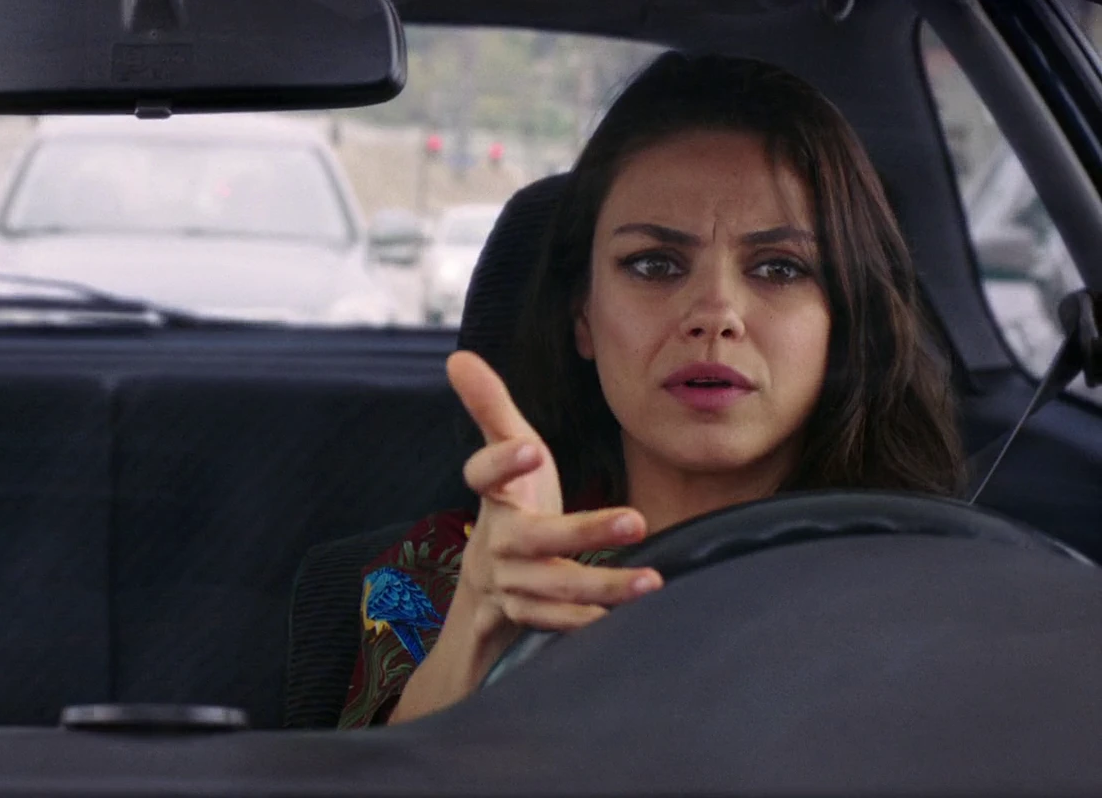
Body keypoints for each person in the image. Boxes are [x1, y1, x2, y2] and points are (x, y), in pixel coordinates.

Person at [341, 52, 963, 729]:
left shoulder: (932, 579)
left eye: (780, 269)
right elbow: (365, 773)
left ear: (844, 318)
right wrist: (478, 632)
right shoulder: (444, 572)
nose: (715, 314)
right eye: (654, 264)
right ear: (583, 315)